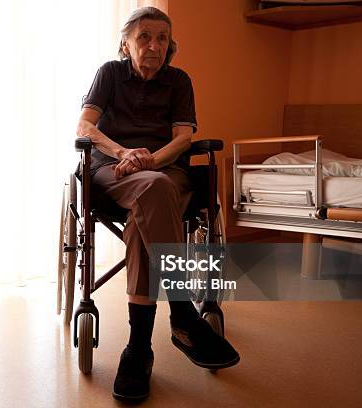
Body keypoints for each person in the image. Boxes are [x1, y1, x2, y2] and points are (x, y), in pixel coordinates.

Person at [76, 6, 240, 402]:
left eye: (162, 38)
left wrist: (150, 159)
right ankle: (182, 313)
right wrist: (124, 153)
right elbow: (85, 127)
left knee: (149, 203)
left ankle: (138, 349)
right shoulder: (110, 74)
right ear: (126, 43)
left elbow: (183, 139)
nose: (154, 45)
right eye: (145, 37)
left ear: (170, 46)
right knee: (152, 189)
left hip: (166, 171)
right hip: (113, 173)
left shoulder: (179, 81)